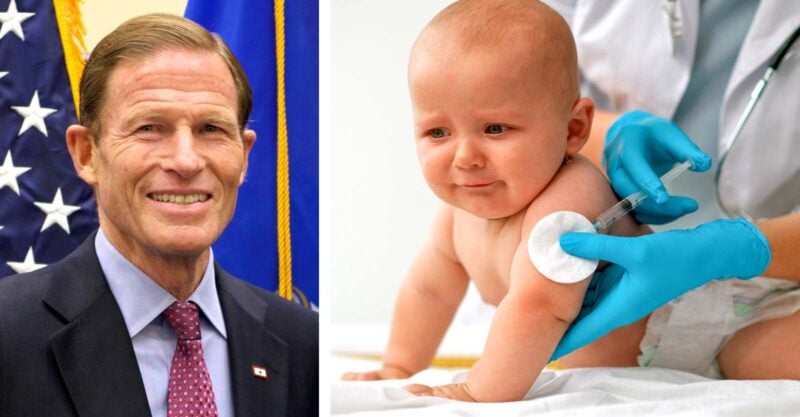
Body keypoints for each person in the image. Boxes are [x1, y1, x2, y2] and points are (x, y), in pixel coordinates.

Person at [0, 14, 318, 417]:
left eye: (211, 129)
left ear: (244, 156)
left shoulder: (304, 343)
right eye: (149, 128)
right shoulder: (8, 336)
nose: (186, 161)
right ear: (86, 154)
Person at [343, 0, 658, 402]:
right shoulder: (456, 216)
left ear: (574, 128)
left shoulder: (570, 196)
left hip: (693, 333)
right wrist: (399, 367)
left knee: (757, 357)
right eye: (438, 132)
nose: (465, 157)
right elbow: (429, 292)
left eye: (495, 128)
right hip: (622, 365)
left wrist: (479, 392)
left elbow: (542, 306)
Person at [549, 1, 799, 380]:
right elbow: (506, 103)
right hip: (621, 318)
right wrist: (606, 134)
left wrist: (733, 248)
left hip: (777, 280)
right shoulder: (480, 213)